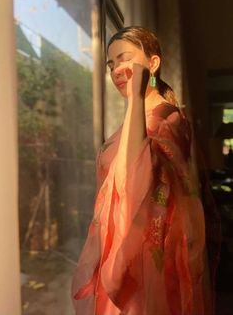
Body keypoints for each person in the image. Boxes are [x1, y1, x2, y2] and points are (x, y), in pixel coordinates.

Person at [71, 26, 215, 315]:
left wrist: (136, 99)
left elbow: (137, 176)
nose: (116, 71)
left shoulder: (166, 118)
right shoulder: (141, 118)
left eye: (124, 59)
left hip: (144, 261)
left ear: (152, 63)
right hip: (124, 246)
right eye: (111, 65)